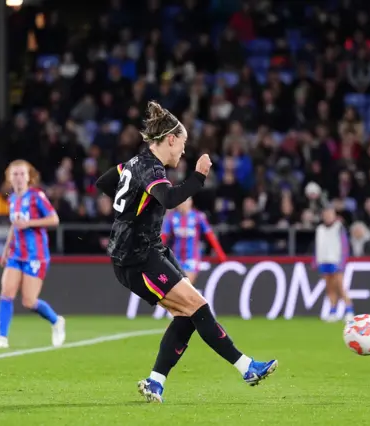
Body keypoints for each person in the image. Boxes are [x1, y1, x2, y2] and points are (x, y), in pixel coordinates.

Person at [95, 101, 277, 403]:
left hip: (147, 249)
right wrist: (199, 177)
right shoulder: (152, 168)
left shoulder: (134, 163)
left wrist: (127, 209)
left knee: (188, 313)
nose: (182, 150)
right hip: (137, 258)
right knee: (198, 306)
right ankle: (247, 368)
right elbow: (168, 198)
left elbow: (104, 182)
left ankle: (155, 382)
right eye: (182, 143)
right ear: (169, 140)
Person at [0, 160, 66, 349]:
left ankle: (56, 321)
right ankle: (1, 338)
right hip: (16, 254)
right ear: (9, 177)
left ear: (29, 177)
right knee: (6, 292)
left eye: (22, 174)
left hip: (35, 255)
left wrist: (30, 224)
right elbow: (14, 226)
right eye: (15, 174)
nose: (19, 178)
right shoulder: (12, 198)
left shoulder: (36, 196)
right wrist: (5, 250)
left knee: (29, 301)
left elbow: (54, 219)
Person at [162, 197, 227, 283]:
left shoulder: (198, 217)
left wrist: (221, 255)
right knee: (174, 291)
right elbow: (163, 237)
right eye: (180, 202)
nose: (182, 204)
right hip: (176, 258)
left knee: (185, 286)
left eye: (185, 202)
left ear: (190, 203)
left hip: (192, 258)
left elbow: (210, 236)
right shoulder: (172, 218)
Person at [314, 205, 354, 322]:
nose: (327, 217)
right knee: (330, 289)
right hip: (324, 261)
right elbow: (318, 246)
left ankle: (349, 311)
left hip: (335, 261)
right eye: (326, 214)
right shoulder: (320, 229)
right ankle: (333, 312)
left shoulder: (339, 227)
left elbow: (345, 245)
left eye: (330, 214)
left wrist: (342, 262)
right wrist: (316, 260)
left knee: (340, 288)